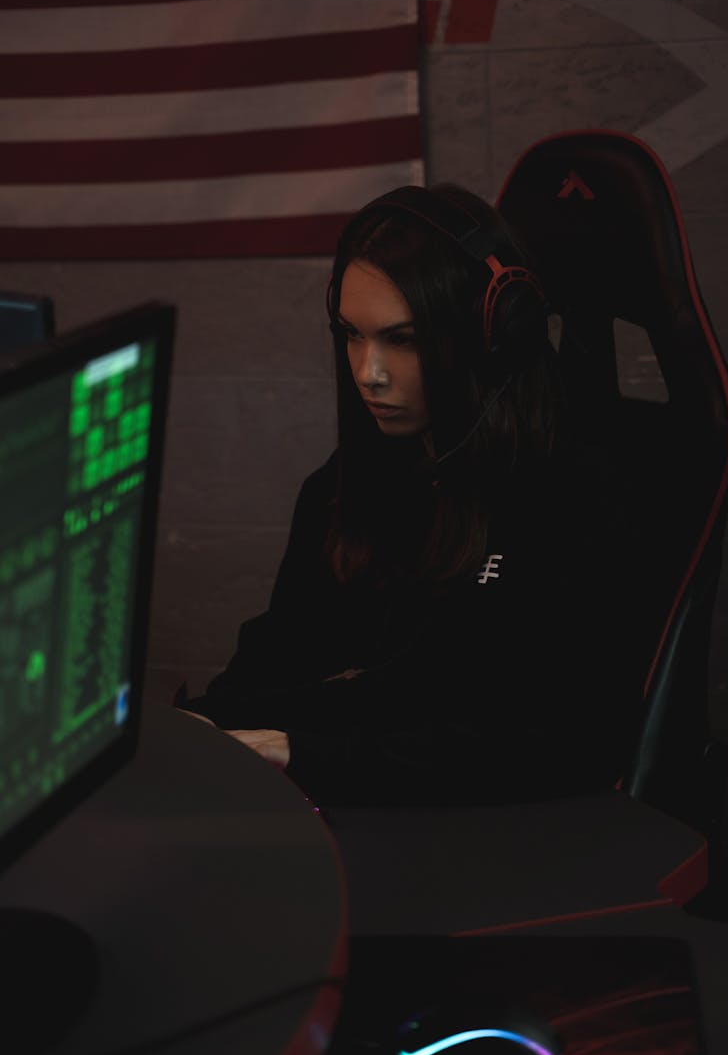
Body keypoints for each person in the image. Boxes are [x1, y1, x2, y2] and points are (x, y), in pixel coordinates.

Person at [177, 182, 647, 808]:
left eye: (404, 339)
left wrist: (304, 754)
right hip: (357, 786)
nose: (369, 372)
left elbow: (552, 745)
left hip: (482, 832)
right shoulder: (351, 480)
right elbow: (284, 642)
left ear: (491, 336)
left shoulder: (570, 497)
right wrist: (209, 727)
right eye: (351, 333)